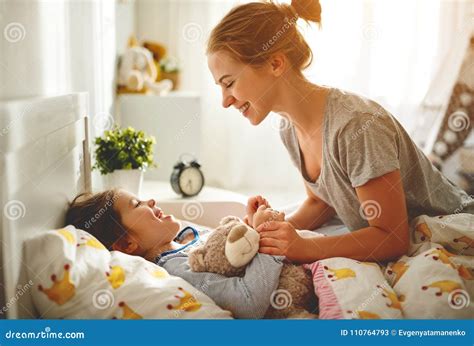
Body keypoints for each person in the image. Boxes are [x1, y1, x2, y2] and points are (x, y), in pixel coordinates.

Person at [206, 0, 474, 263]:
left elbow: (391, 237)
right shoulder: (289, 127)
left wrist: (306, 247)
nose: (225, 100)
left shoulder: (355, 125)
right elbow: (322, 202)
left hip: (451, 231)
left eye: (229, 83)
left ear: (276, 64)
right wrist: (270, 233)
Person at [65, 188, 289, 319]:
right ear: (126, 244)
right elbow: (248, 301)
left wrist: (250, 223)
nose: (150, 200)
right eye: (137, 204)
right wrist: (267, 236)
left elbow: (232, 258)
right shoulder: (178, 268)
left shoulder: (184, 236)